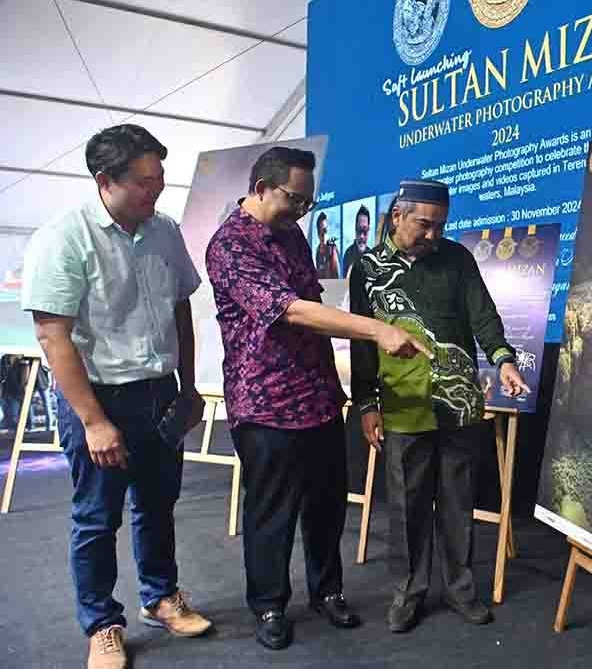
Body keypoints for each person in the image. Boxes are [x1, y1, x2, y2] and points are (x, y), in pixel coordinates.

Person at [204, 147, 431, 651]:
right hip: (266, 403)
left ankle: (327, 591)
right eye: (294, 199)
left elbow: (316, 304)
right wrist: (376, 329)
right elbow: (292, 311)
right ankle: (268, 604)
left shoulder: (292, 235)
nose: (302, 211)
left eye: (308, 202)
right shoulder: (231, 246)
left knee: (327, 505)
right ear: (261, 187)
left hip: (318, 396)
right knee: (272, 513)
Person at [20, 124, 212, 669]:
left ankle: (160, 597)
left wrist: (190, 385)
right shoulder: (64, 236)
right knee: (96, 518)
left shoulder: (165, 230)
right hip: (98, 399)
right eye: (144, 182)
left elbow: (181, 308)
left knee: (158, 506)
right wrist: (92, 421)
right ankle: (102, 624)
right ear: (105, 180)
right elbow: (53, 335)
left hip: (158, 394)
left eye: (160, 180)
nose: (156, 192)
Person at [350, 178, 531, 633]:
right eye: (424, 226)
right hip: (402, 404)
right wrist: (366, 405)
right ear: (397, 216)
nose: (434, 236)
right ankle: (408, 593)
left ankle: (460, 589)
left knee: (457, 500)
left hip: (458, 406)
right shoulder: (368, 269)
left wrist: (503, 361)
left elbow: (483, 317)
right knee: (407, 506)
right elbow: (361, 344)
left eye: (440, 226)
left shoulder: (458, 259)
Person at [341, 205, 371, 278]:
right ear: (355, 229)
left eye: (364, 230)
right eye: (359, 230)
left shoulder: (372, 256)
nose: (361, 236)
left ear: (369, 230)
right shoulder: (348, 254)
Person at [314, 212, 340, 279]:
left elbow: (336, 277)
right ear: (317, 233)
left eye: (325, 230)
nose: (323, 234)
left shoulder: (333, 249)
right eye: (320, 231)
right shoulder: (317, 251)